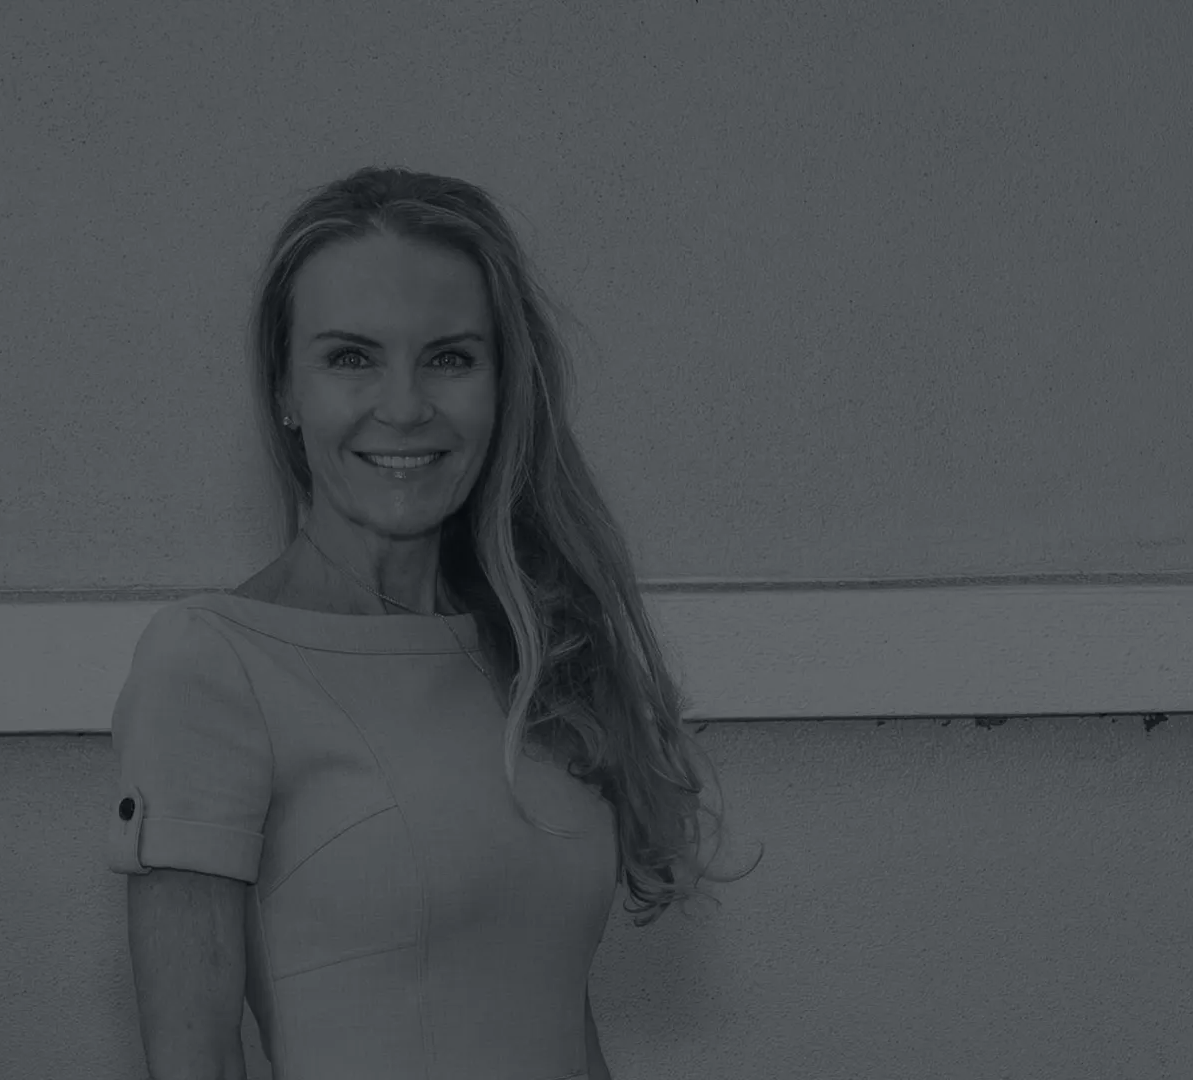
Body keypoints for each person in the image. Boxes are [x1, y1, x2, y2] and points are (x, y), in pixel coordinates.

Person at [104, 165, 759, 1080]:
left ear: (503, 389)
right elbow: (192, 1061)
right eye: (351, 356)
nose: (405, 405)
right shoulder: (211, 664)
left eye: (450, 356)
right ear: (286, 393)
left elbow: (558, 1017)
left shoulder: (537, 649)